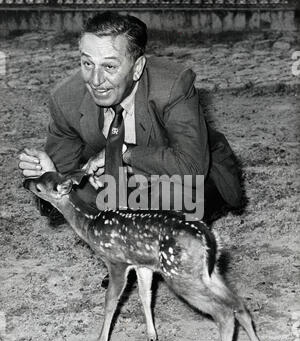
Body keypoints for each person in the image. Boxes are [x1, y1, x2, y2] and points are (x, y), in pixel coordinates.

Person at [19, 11, 242, 227]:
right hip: (116, 186)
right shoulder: (65, 99)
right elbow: (63, 183)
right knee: (84, 196)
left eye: (109, 66)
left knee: (174, 198)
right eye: (87, 64)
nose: (95, 80)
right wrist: (48, 174)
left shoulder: (173, 86)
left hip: (183, 177)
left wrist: (123, 153)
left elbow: (192, 166)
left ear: (136, 69)